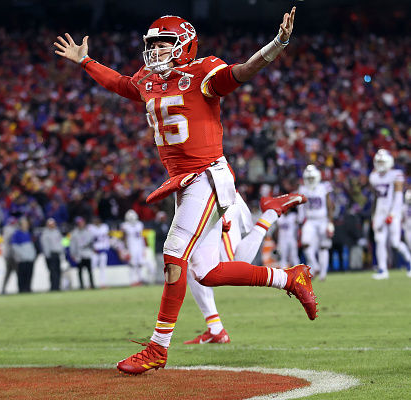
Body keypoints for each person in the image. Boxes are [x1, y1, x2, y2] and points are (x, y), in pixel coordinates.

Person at [55, 7, 317, 376]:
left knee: (173, 251)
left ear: (184, 46)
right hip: (186, 181)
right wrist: (86, 62)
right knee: (205, 271)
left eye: (164, 45)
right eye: (153, 45)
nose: (156, 52)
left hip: (207, 174)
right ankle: (290, 278)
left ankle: (157, 348)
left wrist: (278, 43)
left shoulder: (202, 72)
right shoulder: (148, 79)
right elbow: (120, 83)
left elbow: (242, 71)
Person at [185, 192, 307, 345]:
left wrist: (219, 208)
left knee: (225, 266)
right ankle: (215, 328)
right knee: (197, 267)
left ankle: (270, 213)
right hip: (214, 200)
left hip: (217, 201)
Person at [369, 150, 411, 280]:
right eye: (378, 161)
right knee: (379, 240)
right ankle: (383, 270)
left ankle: (409, 262)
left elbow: (398, 196)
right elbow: (376, 198)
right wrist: (374, 216)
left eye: (382, 161)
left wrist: (392, 214)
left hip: (394, 211)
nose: (380, 164)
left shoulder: (396, 175)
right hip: (380, 213)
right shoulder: (374, 177)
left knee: (395, 243)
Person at [297, 165, 335, 281]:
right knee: (305, 243)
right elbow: (301, 207)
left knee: (324, 246)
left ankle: (323, 273)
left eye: (312, 178)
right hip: (310, 220)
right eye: (309, 179)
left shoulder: (324, 187)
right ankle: (315, 266)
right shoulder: (303, 189)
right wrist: (300, 221)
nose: (311, 181)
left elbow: (330, 204)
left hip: (322, 219)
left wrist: (331, 221)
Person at [120, 209, 148, 286]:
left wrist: (143, 247)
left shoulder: (139, 224)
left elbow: (141, 237)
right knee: (132, 264)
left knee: (140, 264)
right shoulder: (124, 226)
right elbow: (124, 238)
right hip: (131, 247)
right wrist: (125, 249)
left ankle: (139, 279)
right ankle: (132, 280)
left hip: (139, 246)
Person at [11, 217, 37, 293]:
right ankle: (22, 289)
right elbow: (14, 247)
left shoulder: (28, 233)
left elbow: (30, 246)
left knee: (29, 274)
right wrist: (22, 254)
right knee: (22, 275)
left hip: (29, 258)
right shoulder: (17, 234)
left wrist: (32, 254)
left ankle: (28, 288)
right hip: (22, 259)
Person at [69, 216, 95, 289]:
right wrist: (72, 254)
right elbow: (72, 244)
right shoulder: (74, 233)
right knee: (80, 271)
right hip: (79, 255)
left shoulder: (88, 232)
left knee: (89, 271)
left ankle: (92, 284)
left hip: (87, 254)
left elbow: (91, 242)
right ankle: (81, 286)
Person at [40, 218, 64, 291]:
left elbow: (61, 242)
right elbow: (45, 245)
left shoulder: (57, 232)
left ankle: (58, 286)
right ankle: (53, 287)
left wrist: (63, 250)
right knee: (53, 272)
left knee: (58, 271)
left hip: (57, 253)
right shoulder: (45, 234)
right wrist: (47, 255)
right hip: (51, 254)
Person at [89, 216, 111, 288]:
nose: (96, 222)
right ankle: (91, 284)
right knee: (92, 268)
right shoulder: (91, 228)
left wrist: (106, 248)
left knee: (103, 268)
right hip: (94, 251)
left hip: (102, 251)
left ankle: (103, 284)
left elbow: (107, 238)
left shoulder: (104, 227)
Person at [1, 216, 19, 294]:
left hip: (7, 254)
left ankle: (3, 289)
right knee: (17, 272)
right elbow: (12, 242)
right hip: (11, 254)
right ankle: (21, 288)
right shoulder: (12, 230)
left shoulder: (6, 229)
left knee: (8, 273)